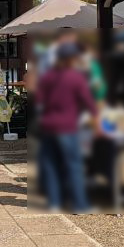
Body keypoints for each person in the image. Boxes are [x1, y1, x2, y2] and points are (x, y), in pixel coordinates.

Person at [35, 41, 94, 213]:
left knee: (51, 165)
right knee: (74, 166)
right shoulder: (76, 77)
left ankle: (54, 203)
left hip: (48, 125)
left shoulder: (47, 77)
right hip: (67, 127)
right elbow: (88, 101)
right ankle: (79, 204)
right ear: (72, 59)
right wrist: (97, 117)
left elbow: (38, 100)